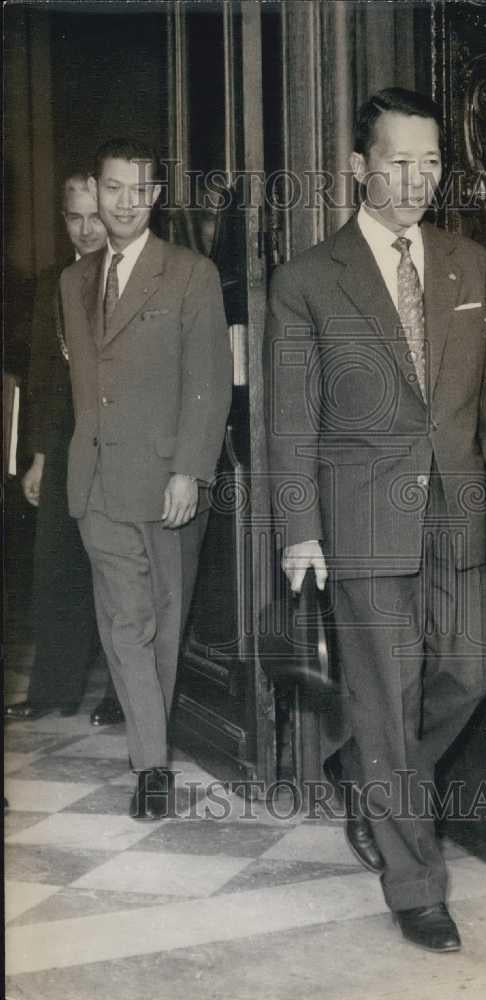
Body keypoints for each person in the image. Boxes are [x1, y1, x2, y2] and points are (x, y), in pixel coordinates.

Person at [264, 89, 486, 952]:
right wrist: (300, 527)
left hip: (459, 508)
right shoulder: (307, 280)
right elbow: (290, 419)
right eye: (399, 162)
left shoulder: (472, 266)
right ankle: (415, 886)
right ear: (359, 167)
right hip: (361, 519)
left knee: (467, 672)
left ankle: (364, 767)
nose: (418, 181)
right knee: (388, 699)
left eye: (431, 163)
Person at [60, 139, 232, 819]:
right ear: (96, 191)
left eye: (139, 190)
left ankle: (151, 749)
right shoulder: (73, 282)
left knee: (162, 623)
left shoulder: (190, 274)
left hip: (167, 483)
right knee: (125, 621)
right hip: (98, 480)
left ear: (156, 197)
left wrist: (190, 470)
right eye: (113, 188)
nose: (125, 203)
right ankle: (152, 765)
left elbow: (209, 384)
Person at [5, 174, 123, 725]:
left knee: (118, 571)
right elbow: (42, 374)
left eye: (95, 216)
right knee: (56, 566)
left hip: (120, 443)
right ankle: (54, 689)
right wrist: (39, 457)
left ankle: (121, 696)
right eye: (75, 218)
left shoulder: (131, 275)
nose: (86, 229)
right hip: (63, 443)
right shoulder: (51, 283)